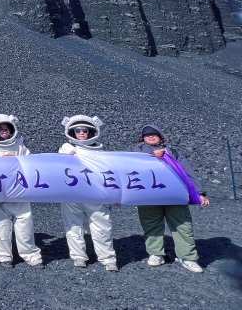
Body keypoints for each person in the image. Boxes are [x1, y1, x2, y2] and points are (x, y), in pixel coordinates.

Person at [130, 124, 210, 273]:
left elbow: (188, 171)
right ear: (142, 138)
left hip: (175, 195)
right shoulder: (137, 151)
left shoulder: (173, 152)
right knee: (151, 224)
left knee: (183, 225)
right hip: (148, 196)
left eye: (154, 134)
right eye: (147, 134)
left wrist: (200, 193)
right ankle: (156, 254)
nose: (151, 136)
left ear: (161, 137)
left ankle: (188, 258)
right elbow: (129, 166)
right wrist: (153, 155)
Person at [0, 114, 44, 269]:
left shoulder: (20, 147)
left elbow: (32, 163)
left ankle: (31, 255)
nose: (4, 131)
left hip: (20, 191)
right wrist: (1, 162)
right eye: (0, 129)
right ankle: (3, 256)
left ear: (11, 129)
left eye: (6, 128)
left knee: (25, 226)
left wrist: (15, 160)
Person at [59, 115, 118, 272]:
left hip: (95, 194)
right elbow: (57, 165)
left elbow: (109, 174)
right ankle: (79, 256)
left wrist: (114, 195)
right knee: (73, 226)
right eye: (77, 130)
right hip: (72, 195)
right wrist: (68, 154)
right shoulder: (66, 148)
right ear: (71, 132)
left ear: (91, 131)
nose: (81, 133)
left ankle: (108, 259)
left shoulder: (101, 151)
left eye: (85, 130)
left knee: (102, 226)